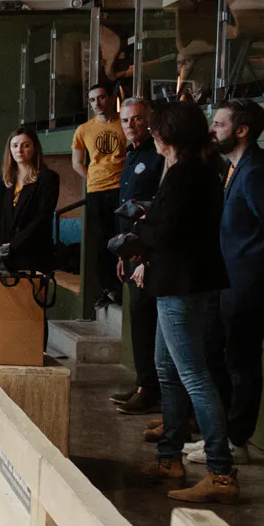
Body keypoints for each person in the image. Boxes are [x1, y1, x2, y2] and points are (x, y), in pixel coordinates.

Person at [132, 102, 237, 503]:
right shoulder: (191, 172)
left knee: (193, 374)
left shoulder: (186, 175)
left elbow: (168, 233)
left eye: (155, 130)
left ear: (167, 135)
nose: (150, 136)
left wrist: (139, 232)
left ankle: (220, 472)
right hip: (178, 281)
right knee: (167, 369)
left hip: (182, 284)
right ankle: (168, 457)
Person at [196, 98, 264, 465]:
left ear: (242, 130)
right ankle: (218, 437)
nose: (212, 129)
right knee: (215, 355)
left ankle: (237, 441)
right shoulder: (234, 168)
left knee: (241, 363)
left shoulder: (257, 171)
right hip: (227, 284)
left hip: (247, 286)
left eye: (219, 124)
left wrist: (258, 281)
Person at [113, 98, 165, 416]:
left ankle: (151, 390)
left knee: (148, 321)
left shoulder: (157, 156)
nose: (131, 125)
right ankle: (142, 382)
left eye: (136, 119)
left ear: (149, 120)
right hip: (131, 250)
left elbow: (158, 209)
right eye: (125, 121)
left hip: (150, 253)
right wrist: (124, 253)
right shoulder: (130, 155)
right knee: (138, 321)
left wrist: (145, 257)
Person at [72, 82, 129, 312]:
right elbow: (76, 162)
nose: (97, 103)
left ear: (111, 98)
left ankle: (123, 287)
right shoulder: (84, 129)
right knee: (100, 242)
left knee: (122, 238)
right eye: (93, 100)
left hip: (122, 190)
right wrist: (92, 178)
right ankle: (108, 290)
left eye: (101, 98)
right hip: (96, 191)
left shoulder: (124, 124)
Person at [0, 127, 62, 274]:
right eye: (15, 146)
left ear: (35, 148)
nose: (20, 150)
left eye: (26, 145)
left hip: (34, 253)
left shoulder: (48, 178)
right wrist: (1, 245)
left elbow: (42, 218)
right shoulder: (3, 181)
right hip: (6, 255)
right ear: (9, 149)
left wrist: (13, 246)